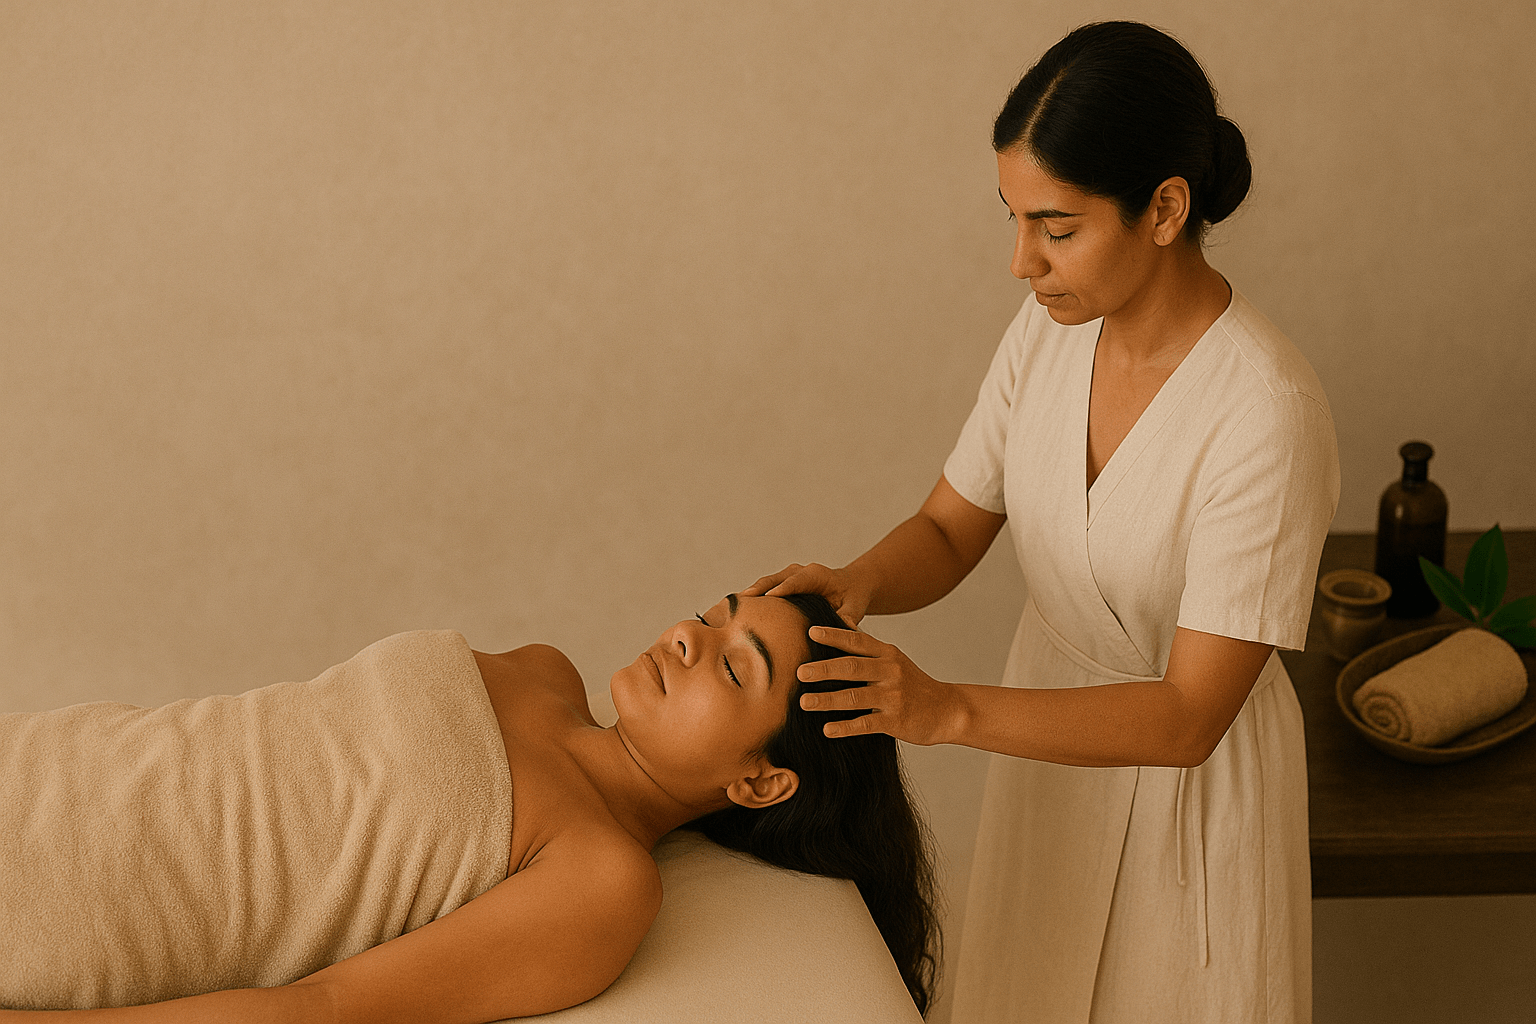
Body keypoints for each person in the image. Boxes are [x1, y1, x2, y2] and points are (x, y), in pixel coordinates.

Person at [743, 21, 1339, 1024]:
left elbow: (1189, 717)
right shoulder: (1051, 330)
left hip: (1190, 793)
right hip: (1046, 754)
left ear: (1165, 209)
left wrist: (945, 710)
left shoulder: (1266, 412)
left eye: (1056, 228)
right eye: (1015, 219)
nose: (1022, 262)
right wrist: (859, 582)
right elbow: (949, 527)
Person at [0, 592, 939, 1021]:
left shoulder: (602, 880)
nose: (686, 639)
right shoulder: (542, 669)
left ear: (762, 782)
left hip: (71, 908)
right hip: (51, 758)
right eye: (712, 614)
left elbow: (323, 1010)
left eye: (735, 667)